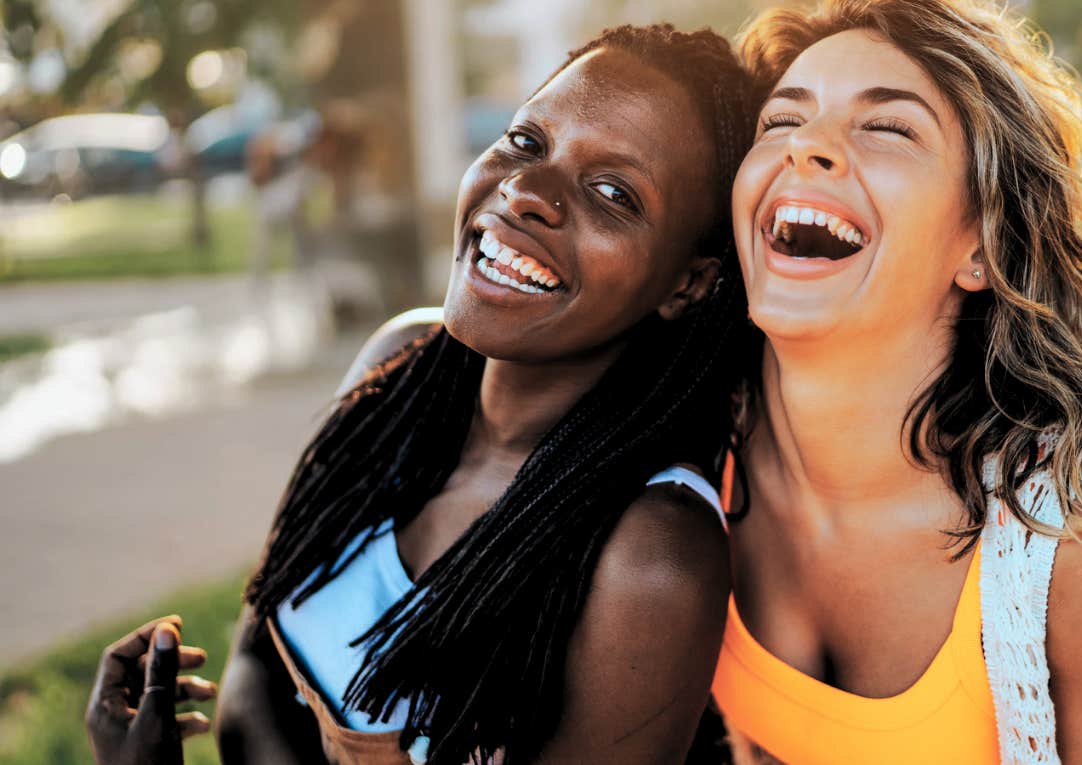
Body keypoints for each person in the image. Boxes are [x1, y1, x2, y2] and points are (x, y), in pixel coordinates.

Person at [86, 24, 757, 765]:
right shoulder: (396, 365)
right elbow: (252, 671)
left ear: (687, 283)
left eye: (612, 192)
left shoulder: (650, 554)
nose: (526, 192)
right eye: (527, 143)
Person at [709, 1, 1082, 763]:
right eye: (781, 120)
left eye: (888, 127)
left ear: (980, 245)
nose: (808, 147)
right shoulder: (685, 442)